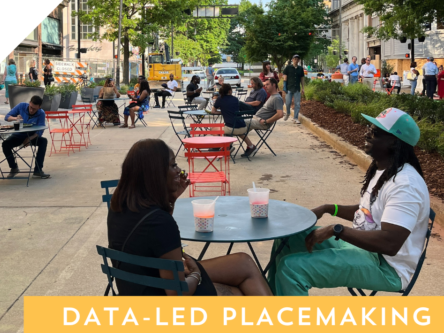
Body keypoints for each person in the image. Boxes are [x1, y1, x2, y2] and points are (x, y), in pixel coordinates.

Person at [268, 108, 429, 296]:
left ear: (394, 142)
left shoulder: (405, 185)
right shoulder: (385, 171)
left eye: (375, 132)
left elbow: (390, 243)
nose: (367, 133)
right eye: (370, 127)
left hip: (387, 267)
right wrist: (329, 208)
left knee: (291, 269)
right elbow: (367, 213)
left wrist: (337, 229)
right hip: (363, 249)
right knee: (287, 237)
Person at [107, 138, 273, 296]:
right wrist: (196, 274)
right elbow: (177, 293)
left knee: (243, 262)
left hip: (138, 288)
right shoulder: (160, 223)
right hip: (161, 301)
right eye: (173, 165)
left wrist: (171, 199)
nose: (179, 170)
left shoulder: (120, 207)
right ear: (155, 173)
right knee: (239, 292)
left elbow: (156, 242)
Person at [3, 96, 49, 179]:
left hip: (31, 136)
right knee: (5, 144)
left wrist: (30, 138)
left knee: (43, 141)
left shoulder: (41, 113)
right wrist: (15, 118)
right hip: (18, 135)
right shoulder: (21, 106)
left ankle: (38, 170)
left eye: (34, 109)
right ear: (29, 103)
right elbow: (7, 117)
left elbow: (41, 130)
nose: (31, 110)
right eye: (31, 107)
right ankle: (13, 167)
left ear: (39, 107)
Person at [238, 78, 283, 157]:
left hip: (262, 122)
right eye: (265, 85)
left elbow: (280, 114)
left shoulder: (277, 98)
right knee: (235, 124)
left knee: (236, 124)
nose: (265, 86)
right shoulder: (272, 96)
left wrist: (266, 121)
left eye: (267, 84)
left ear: (274, 85)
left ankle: (228, 146)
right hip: (256, 118)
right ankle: (248, 146)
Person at [283, 54, 305, 124]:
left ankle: (295, 118)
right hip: (289, 88)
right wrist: (284, 88)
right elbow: (285, 79)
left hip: (297, 89)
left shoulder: (300, 69)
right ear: (292, 60)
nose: (296, 60)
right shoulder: (288, 68)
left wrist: (303, 88)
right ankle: (288, 113)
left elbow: (302, 79)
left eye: (297, 59)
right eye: (295, 59)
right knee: (288, 102)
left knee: (297, 104)